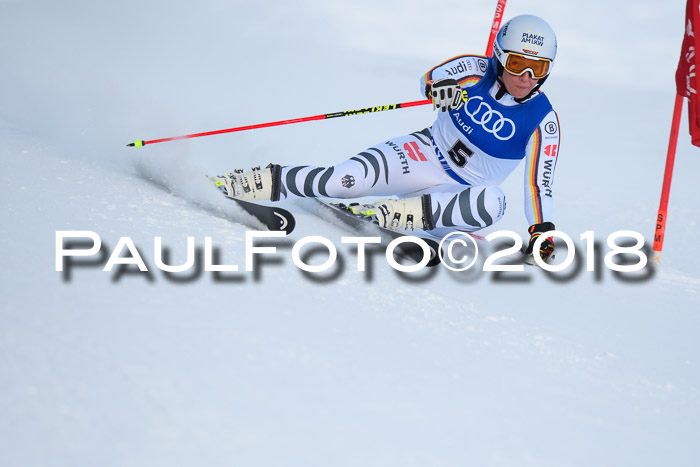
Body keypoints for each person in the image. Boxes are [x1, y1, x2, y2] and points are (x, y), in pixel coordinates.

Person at [212, 14, 561, 262]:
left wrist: (540, 231)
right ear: (500, 56)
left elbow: (538, 185)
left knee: (494, 202)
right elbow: (435, 76)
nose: (526, 77)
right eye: (517, 63)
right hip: (421, 155)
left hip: (456, 200)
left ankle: (397, 214)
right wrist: (440, 89)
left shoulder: (543, 120)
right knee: (341, 180)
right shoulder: (478, 68)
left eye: (539, 68)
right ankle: (240, 183)